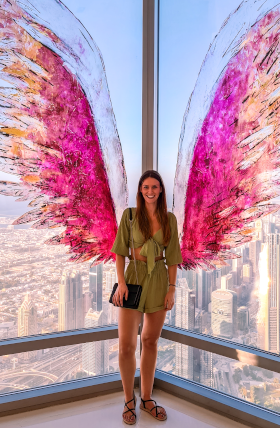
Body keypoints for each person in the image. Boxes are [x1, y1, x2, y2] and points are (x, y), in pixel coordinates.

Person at [111, 169, 183, 424]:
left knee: (150, 341)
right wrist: (121, 283)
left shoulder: (169, 219)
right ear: (140, 191)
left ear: (161, 190)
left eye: (154, 187)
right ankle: (128, 400)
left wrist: (172, 288)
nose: (150, 191)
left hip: (159, 280)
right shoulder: (130, 216)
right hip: (133, 279)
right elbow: (120, 251)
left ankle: (147, 398)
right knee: (126, 345)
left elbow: (172, 257)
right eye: (146, 188)